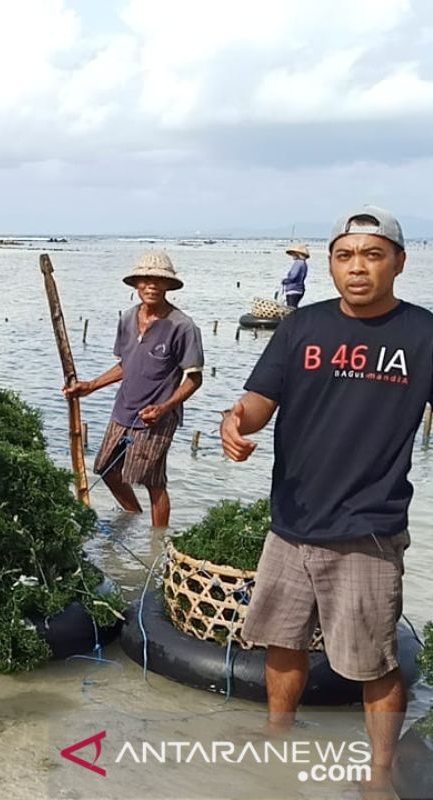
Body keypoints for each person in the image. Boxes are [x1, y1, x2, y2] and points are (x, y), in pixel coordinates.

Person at [221, 206, 427, 793]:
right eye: (344, 256)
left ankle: (379, 773)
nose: (356, 268)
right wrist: (237, 422)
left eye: (372, 255)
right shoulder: (300, 327)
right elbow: (260, 398)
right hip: (290, 521)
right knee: (282, 641)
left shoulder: (424, 335)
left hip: (368, 528)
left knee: (374, 663)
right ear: (331, 265)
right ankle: (277, 735)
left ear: (398, 263)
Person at [64, 251, 203, 528]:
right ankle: (132, 517)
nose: (151, 286)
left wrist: (164, 408)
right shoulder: (128, 319)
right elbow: (126, 365)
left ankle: (157, 543)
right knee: (105, 469)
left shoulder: (182, 326)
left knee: (152, 481)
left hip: (158, 416)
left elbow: (194, 379)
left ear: (168, 286)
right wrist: (90, 386)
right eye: (146, 280)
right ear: (137, 284)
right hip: (124, 409)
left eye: (158, 281)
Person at [282, 243, 309, 308]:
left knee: (291, 310)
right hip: (299, 289)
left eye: (293, 253)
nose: (292, 255)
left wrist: (285, 281)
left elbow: (293, 276)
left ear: (297, 254)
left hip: (293, 289)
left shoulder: (298, 263)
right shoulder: (304, 263)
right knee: (294, 308)